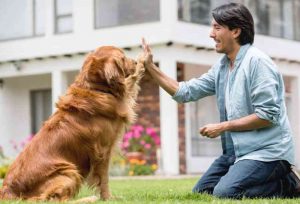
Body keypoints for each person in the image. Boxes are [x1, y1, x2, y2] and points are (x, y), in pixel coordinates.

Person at [141, 2, 300, 199]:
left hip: (268, 153)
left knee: (226, 193)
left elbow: (267, 116)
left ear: (235, 31)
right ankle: (276, 181)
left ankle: (288, 184)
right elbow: (186, 92)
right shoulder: (222, 67)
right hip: (236, 153)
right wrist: (151, 67)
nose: (210, 34)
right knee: (202, 192)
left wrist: (223, 126)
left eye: (217, 27)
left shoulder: (257, 63)